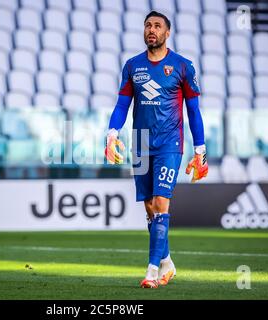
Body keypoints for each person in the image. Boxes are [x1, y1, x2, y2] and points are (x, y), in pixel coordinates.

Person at [105, 11, 208, 288]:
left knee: (161, 203)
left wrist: (201, 151)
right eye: (148, 25)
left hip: (169, 143)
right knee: (150, 208)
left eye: (158, 26)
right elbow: (122, 106)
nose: (152, 30)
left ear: (167, 33)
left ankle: (151, 270)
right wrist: (111, 135)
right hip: (140, 142)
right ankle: (167, 262)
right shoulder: (132, 66)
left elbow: (194, 112)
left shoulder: (183, 66)